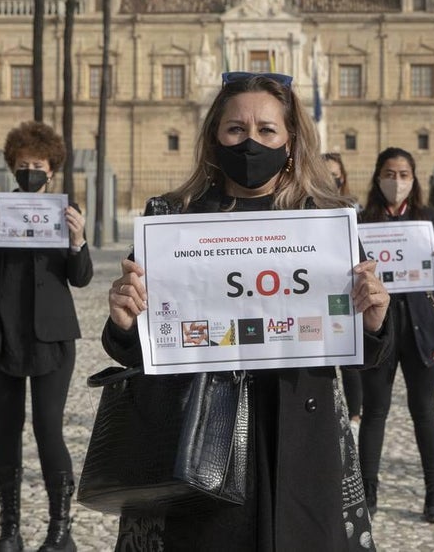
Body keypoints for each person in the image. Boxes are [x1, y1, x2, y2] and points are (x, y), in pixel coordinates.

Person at [104, 72, 392, 551]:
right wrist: (124, 320)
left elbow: (361, 349)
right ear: (214, 138)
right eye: (236, 129)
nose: (250, 142)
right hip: (200, 435)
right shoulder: (171, 219)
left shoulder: (324, 221)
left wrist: (374, 319)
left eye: (266, 130)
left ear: (290, 141)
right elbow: (138, 347)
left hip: (299, 431)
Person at [0, 121, 92, 552]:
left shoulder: (67, 211)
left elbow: (81, 278)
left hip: (52, 335)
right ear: (12, 167)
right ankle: (9, 529)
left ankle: (61, 530)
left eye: (38, 165)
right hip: (1, 333)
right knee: (6, 429)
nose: (31, 171)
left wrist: (78, 241)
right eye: (23, 164)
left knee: (48, 428)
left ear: (52, 169)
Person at [357, 147, 434, 523]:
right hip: (378, 330)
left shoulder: (428, 219)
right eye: (389, 174)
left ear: (414, 180)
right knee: (375, 411)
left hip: (420, 329)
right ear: (377, 177)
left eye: (403, 175)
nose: (396, 182)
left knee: (424, 411)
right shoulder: (362, 220)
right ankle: (368, 491)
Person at [324, 151, 363, 442]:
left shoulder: (352, 212)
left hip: (344, 293)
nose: (329, 181)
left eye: (334, 176)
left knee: (349, 358)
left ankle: (354, 415)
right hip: (315, 298)